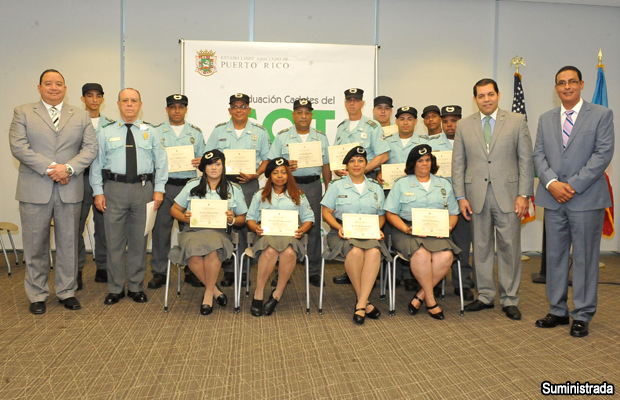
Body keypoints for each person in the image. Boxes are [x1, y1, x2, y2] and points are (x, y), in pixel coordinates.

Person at [533, 66, 614, 338]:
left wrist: (573, 186)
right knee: (554, 257)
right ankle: (557, 310)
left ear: (581, 84)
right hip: (553, 198)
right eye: (561, 83)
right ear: (555, 88)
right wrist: (552, 184)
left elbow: (603, 154)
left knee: (584, 258)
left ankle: (582, 314)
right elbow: (538, 155)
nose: (566, 87)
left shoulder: (601, 114)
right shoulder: (545, 119)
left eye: (572, 82)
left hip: (586, 198)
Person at [9, 69, 98, 314]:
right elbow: (18, 147)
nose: (54, 87)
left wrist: (67, 168)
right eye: (48, 83)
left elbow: (90, 148)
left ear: (65, 88)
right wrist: (52, 168)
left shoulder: (80, 115)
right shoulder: (23, 112)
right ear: (39, 88)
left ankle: (66, 291)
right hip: (34, 189)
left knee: (69, 243)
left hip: (69, 189)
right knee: (35, 245)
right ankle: (37, 294)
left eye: (58, 84)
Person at [452, 78, 534, 320]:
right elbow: (458, 164)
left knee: (510, 247)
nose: (486, 99)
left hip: (509, 195)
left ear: (498, 95)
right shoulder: (464, 125)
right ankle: (486, 295)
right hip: (475, 196)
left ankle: (510, 298)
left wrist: (524, 194)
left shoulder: (517, 121)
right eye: (481, 96)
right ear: (475, 99)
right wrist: (460, 196)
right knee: (481, 248)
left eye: (490, 94)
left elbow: (526, 160)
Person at [90, 88, 168, 305]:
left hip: (143, 190)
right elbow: (96, 165)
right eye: (125, 101)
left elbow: (161, 162)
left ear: (140, 105)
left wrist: (159, 189)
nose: (130, 104)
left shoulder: (151, 131)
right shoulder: (105, 132)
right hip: (114, 190)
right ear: (118, 104)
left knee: (138, 241)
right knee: (113, 242)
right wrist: (98, 192)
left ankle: (135, 286)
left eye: (134, 101)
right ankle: (115, 288)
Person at [385, 145, 460, 320]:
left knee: (446, 256)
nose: (425, 164)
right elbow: (390, 213)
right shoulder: (401, 184)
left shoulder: (443, 184)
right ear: (413, 164)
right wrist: (406, 229)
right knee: (421, 254)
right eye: (420, 161)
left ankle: (421, 295)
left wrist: (448, 228)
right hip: (407, 229)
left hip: (436, 229)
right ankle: (431, 301)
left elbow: (453, 213)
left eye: (427, 160)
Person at [170, 150, 247, 315]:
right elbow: (174, 209)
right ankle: (215, 291)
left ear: (223, 166)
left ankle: (207, 294)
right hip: (193, 231)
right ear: (204, 168)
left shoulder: (233, 189)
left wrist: (232, 219)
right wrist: (184, 217)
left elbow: (243, 218)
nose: (214, 168)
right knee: (192, 253)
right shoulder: (192, 185)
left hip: (219, 233)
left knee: (213, 249)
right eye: (210, 164)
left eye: (218, 164)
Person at [206, 93, 271, 288]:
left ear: (249, 110)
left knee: (244, 226)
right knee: (224, 225)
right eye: (235, 106)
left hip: (249, 185)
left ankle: (244, 270)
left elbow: (266, 159)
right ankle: (228, 270)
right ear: (229, 110)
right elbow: (209, 156)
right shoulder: (219, 131)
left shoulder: (260, 132)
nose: (239, 110)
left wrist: (256, 174)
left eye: (243, 107)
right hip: (223, 185)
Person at [266, 99, 331, 288]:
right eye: (299, 112)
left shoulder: (321, 137)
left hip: (313, 185)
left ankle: (314, 271)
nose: (303, 116)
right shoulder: (282, 137)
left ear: (311, 116)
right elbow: (272, 164)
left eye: (307, 112)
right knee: (285, 227)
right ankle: (281, 271)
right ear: (293, 115)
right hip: (288, 186)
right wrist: (286, 166)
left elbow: (326, 165)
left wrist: (328, 189)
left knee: (314, 228)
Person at [321, 146, 390, 324]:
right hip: (342, 232)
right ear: (346, 165)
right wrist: (338, 227)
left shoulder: (376, 187)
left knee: (374, 252)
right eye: (352, 161)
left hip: (369, 232)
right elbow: (326, 212)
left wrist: (377, 229)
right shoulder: (336, 186)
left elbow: (381, 215)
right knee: (356, 252)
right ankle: (364, 302)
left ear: (366, 165)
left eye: (360, 161)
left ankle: (360, 302)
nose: (356, 164)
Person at [148, 94, 206, 290]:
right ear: (167, 109)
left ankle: (192, 270)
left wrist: (201, 161)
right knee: (160, 231)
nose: (177, 110)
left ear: (186, 109)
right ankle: (159, 272)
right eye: (173, 107)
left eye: (181, 107)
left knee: (190, 231)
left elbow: (204, 159)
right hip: (165, 187)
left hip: (189, 187)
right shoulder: (156, 131)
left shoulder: (196, 133)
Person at [332, 88, 389, 285]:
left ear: (362, 104)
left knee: (364, 225)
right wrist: (338, 169)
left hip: (367, 180)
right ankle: (352, 270)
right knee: (349, 225)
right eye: (349, 100)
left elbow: (383, 155)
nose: (352, 103)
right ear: (345, 103)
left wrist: (361, 170)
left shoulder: (372, 126)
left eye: (356, 100)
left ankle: (369, 271)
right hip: (346, 182)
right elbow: (338, 157)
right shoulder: (341, 127)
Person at [245, 157, 314, 317]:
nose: (280, 176)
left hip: (290, 237)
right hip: (266, 236)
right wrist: (256, 228)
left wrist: (301, 230)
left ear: (289, 174)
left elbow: (309, 218)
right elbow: (250, 218)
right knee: (270, 251)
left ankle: (277, 293)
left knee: (289, 252)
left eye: (283, 172)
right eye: (275, 173)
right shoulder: (260, 195)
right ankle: (259, 292)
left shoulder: (298, 195)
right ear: (270, 176)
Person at [377, 106, 420, 292]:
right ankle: (392, 273)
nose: (405, 122)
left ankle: (410, 275)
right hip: (390, 193)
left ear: (416, 122)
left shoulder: (422, 142)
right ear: (396, 121)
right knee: (390, 233)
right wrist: (379, 173)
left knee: (411, 231)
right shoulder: (386, 141)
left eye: (409, 119)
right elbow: (380, 162)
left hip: (414, 195)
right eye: (402, 119)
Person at [77, 83, 113, 289]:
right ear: (83, 99)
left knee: (104, 226)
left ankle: (103, 266)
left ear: (102, 99)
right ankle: (76, 269)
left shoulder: (111, 125)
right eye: (89, 96)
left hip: (104, 181)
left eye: (98, 96)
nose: (94, 100)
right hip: (80, 180)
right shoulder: (74, 122)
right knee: (76, 226)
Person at [440, 105, 474, 301]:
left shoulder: (471, 140)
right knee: (436, 245)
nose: (449, 125)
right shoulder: (432, 143)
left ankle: (463, 283)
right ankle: (436, 282)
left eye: (454, 120)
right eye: (445, 121)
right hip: (439, 202)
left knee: (462, 245)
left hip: (462, 200)